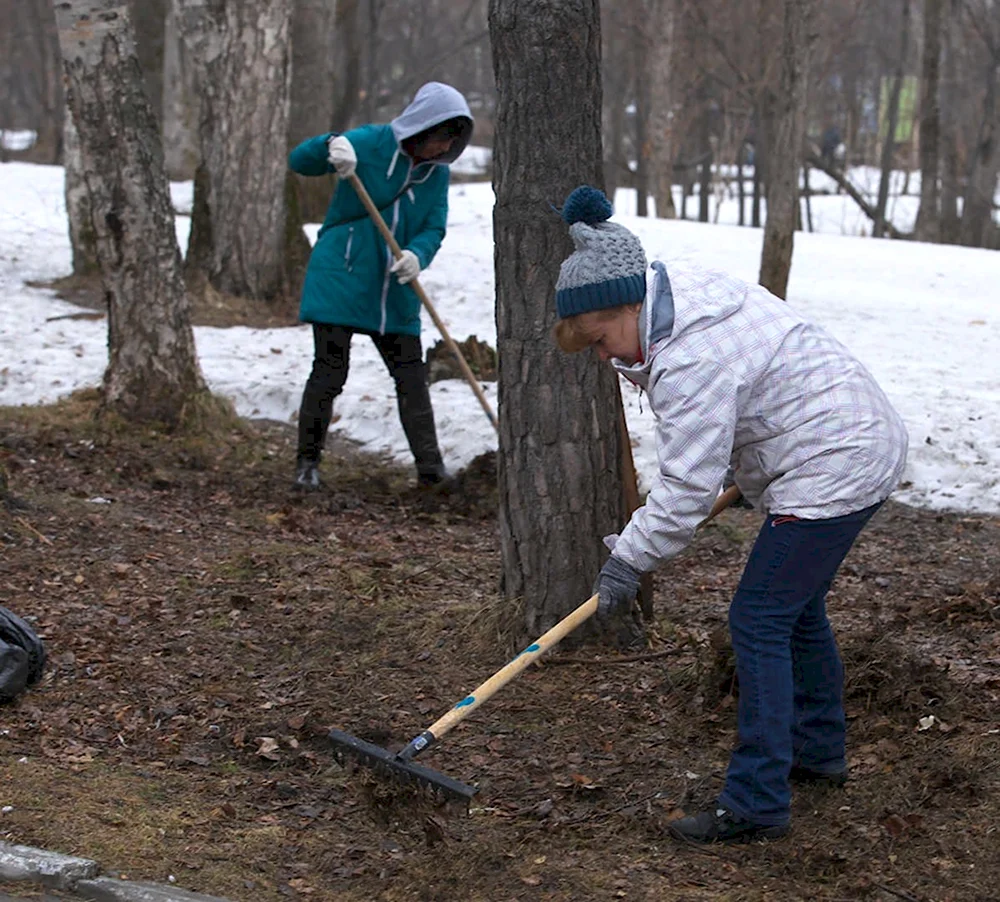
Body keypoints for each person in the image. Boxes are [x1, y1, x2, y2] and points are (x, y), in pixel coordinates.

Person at [552, 186, 908, 844]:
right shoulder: (680, 291)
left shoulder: (690, 357)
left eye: (602, 342)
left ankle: (756, 801)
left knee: (759, 617)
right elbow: (730, 416)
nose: (605, 359)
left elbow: (685, 487)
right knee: (793, 612)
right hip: (850, 436)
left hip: (836, 459)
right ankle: (819, 753)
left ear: (629, 304)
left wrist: (629, 557)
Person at [288, 82, 474, 490]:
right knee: (330, 371)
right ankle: (307, 465)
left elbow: (433, 227)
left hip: (395, 289)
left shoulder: (435, 175)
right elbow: (299, 162)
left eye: (452, 142)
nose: (444, 148)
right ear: (424, 127)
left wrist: (417, 255)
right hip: (343, 274)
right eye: (442, 137)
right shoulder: (370, 143)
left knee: (410, 375)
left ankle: (431, 470)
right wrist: (328, 146)